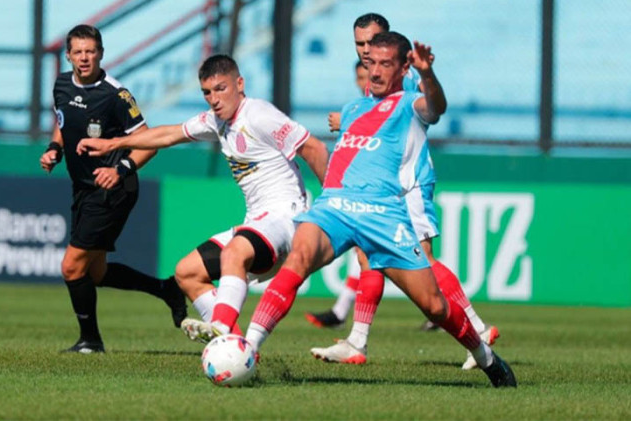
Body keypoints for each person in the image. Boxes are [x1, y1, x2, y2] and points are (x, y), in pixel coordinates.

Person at [243, 32, 517, 388]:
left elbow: (437, 108)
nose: (374, 73)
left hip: (384, 214)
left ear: (405, 67)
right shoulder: (353, 108)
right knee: (300, 256)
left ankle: (486, 357)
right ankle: (247, 347)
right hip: (335, 206)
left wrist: (429, 75)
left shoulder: (410, 104)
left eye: (385, 64)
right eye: (370, 63)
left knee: (434, 306)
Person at [76, 54, 329, 343]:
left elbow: (315, 148)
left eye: (221, 88)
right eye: (207, 92)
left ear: (240, 84)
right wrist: (114, 143)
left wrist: (332, 203)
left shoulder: (258, 114)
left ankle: (221, 325)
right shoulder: (216, 121)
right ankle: (235, 348)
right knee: (187, 273)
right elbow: (168, 135)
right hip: (257, 223)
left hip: (284, 221)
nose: (214, 98)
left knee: (234, 252)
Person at [307, 13, 498, 371]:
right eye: (359, 44)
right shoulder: (373, 80)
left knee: (421, 260)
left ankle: (477, 328)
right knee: (369, 257)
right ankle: (356, 339)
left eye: (371, 42)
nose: (365, 51)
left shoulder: (405, 77)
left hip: (406, 183)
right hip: (384, 187)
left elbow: (427, 113)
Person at [39, 24, 187, 354]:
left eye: (90, 51)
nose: (84, 57)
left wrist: (120, 169)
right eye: (77, 52)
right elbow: (62, 123)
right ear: (68, 56)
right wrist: (54, 149)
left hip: (114, 188)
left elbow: (149, 143)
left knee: (71, 267)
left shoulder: (116, 95)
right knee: (97, 273)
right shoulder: (62, 84)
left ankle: (90, 341)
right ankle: (166, 289)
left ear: (101, 54)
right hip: (82, 188)